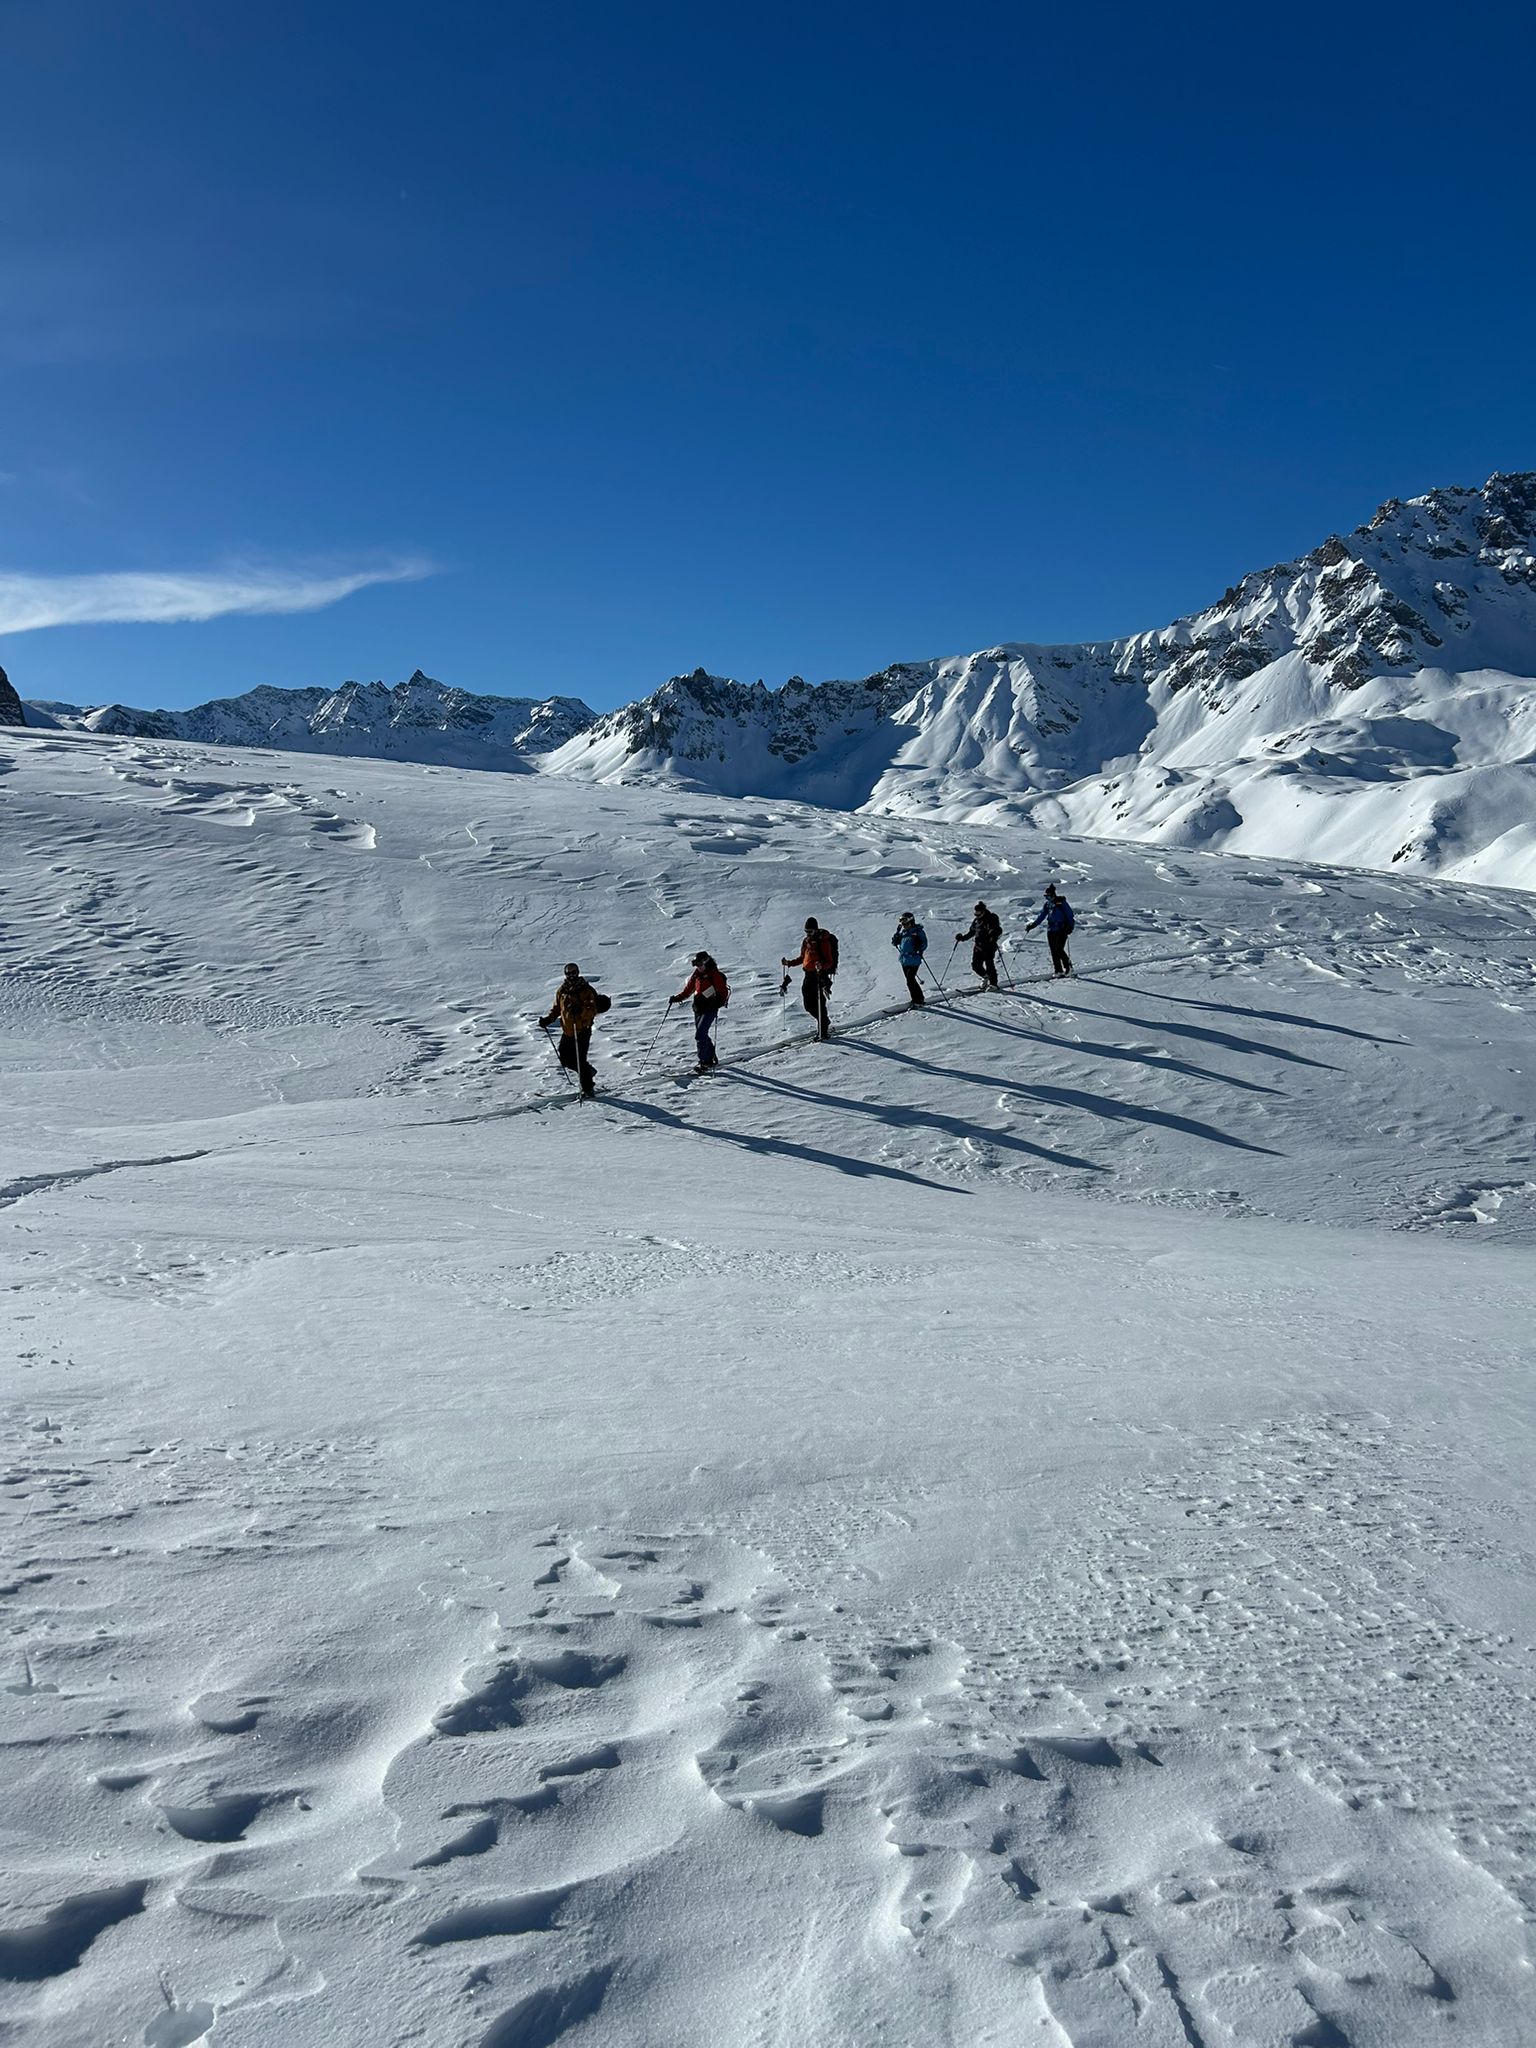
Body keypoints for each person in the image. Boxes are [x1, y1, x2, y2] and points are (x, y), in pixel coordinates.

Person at [538, 962, 610, 1096]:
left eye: (573, 972)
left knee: (579, 1060)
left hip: (582, 1029)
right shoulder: (562, 990)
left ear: (578, 972)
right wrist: (548, 1019)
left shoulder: (586, 990)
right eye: (568, 973)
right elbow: (557, 1008)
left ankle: (588, 1089)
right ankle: (588, 1072)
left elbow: (592, 1009)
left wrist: (580, 1011)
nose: (571, 975)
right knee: (565, 1059)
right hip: (568, 1030)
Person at [669, 951, 730, 1071]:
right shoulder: (697, 974)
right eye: (696, 965)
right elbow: (689, 989)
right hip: (698, 1008)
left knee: (700, 1035)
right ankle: (711, 1056)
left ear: (707, 963)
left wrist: (719, 1001)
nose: (699, 967)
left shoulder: (714, 974)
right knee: (702, 1035)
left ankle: (705, 1062)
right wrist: (678, 998)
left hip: (710, 1009)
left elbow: (723, 991)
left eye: (700, 965)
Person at [781, 917, 838, 1039]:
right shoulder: (806, 941)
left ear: (816, 930)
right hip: (808, 975)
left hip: (819, 976)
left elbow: (830, 962)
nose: (808, 934)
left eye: (810, 931)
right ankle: (825, 1022)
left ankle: (823, 1032)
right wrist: (789, 963)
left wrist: (821, 965)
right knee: (808, 1005)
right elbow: (803, 958)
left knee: (819, 1004)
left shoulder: (823, 942)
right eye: (806, 931)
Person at [1026, 885, 1075, 977]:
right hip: (1051, 929)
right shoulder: (1047, 905)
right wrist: (1033, 925)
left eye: (1049, 896)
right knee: (1053, 951)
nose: (1047, 898)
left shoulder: (1061, 903)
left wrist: (1070, 926)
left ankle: (1068, 967)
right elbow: (1042, 916)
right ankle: (1058, 970)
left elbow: (1069, 915)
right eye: (1046, 897)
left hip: (1062, 928)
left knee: (1059, 949)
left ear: (1053, 895)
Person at [955, 900, 1002, 989]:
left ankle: (993, 984)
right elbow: (972, 932)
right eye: (975, 913)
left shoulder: (991, 918)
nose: (976, 915)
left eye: (978, 913)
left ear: (983, 911)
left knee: (989, 965)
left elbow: (997, 929)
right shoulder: (976, 921)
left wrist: (992, 935)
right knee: (976, 966)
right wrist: (962, 938)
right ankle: (985, 977)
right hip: (978, 946)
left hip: (989, 946)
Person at [892, 910, 928, 1005]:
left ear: (910, 921)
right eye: (902, 922)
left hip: (914, 959)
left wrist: (918, 946)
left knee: (910, 980)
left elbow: (924, 943)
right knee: (910, 980)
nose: (903, 924)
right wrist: (896, 935)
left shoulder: (918, 931)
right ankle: (918, 998)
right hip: (904, 959)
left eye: (905, 921)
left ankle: (918, 1000)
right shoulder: (904, 932)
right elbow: (896, 941)